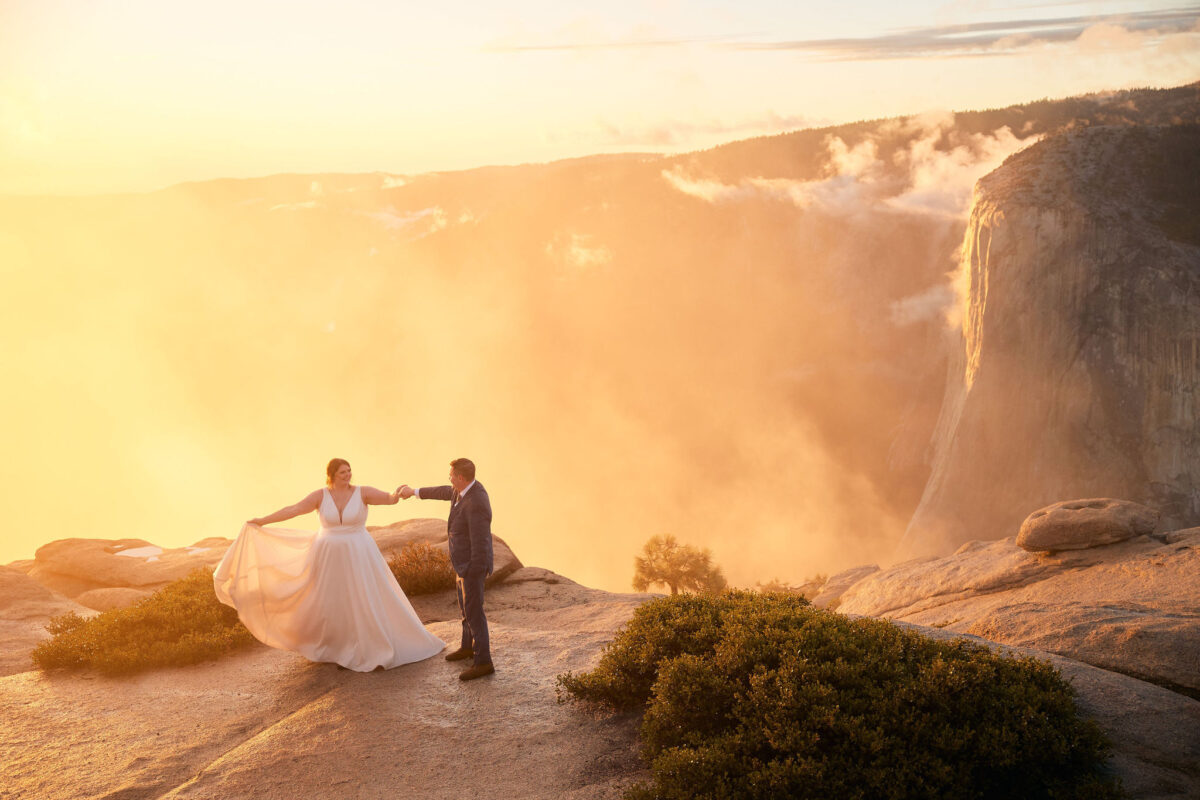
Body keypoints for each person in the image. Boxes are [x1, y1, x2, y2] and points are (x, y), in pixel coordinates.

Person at [214, 458, 445, 672]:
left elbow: (388, 498)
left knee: (362, 597)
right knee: (333, 601)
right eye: (343, 472)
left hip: (359, 554)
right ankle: (339, 649)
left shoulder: (362, 492)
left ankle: (368, 647)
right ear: (332, 475)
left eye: (349, 471)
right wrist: (263, 520)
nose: (348, 475)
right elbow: (293, 510)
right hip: (327, 557)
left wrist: (400, 492)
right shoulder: (320, 496)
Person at [398, 457, 494, 681]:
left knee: (474, 613)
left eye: (451, 475)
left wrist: (472, 571)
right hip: (462, 564)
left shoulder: (477, 501)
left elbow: (480, 541)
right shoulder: (461, 489)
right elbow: (442, 491)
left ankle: (484, 662)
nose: (448, 478)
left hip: (471, 566)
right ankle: (467, 647)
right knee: (465, 610)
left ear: (460, 478)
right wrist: (414, 491)